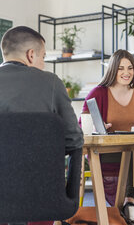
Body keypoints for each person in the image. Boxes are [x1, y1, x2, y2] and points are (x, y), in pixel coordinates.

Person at [0, 26, 84, 225]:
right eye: (43, 57)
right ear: (31, 55)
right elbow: (74, 140)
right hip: (43, 196)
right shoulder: (51, 82)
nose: (43, 64)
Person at [81, 49, 134, 213]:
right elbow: (82, 126)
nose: (127, 72)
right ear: (112, 70)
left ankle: (129, 203)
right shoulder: (98, 93)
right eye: (121, 68)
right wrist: (98, 127)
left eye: (130, 68)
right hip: (104, 152)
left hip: (131, 151)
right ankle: (130, 207)